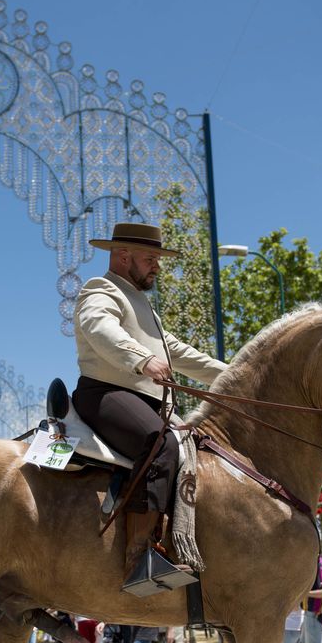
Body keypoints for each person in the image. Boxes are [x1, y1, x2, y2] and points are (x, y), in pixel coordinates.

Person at [73, 222, 227, 592]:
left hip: (143, 402)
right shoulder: (101, 289)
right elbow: (99, 328)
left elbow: (177, 352)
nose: (157, 266)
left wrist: (235, 376)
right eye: (151, 258)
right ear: (123, 256)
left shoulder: (143, 306)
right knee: (161, 445)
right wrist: (141, 359)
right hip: (105, 394)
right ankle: (139, 560)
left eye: (158, 258)